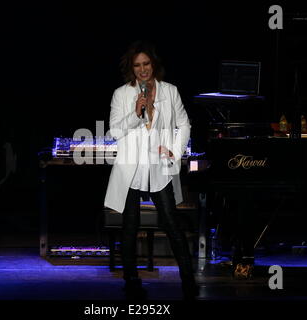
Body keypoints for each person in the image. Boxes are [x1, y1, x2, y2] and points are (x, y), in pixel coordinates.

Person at [104, 41, 198, 299]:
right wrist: (136, 113)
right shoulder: (121, 94)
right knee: (130, 226)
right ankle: (131, 281)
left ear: (153, 64)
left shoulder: (170, 91)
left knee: (172, 224)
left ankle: (188, 280)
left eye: (146, 64)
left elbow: (184, 124)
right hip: (131, 169)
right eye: (137, 65)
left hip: (159, 167)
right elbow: (114, 132)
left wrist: (175, 151)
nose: (143, 69)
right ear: (131, 69)